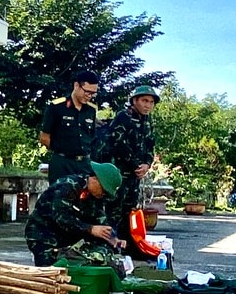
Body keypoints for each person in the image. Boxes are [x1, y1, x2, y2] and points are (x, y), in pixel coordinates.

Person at [25, 161, 124, 267]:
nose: (103, 194)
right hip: (44, 234)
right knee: (50, 272)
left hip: (68, 237)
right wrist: (90, 229)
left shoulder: (95, 196)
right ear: (95, 179)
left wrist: (112, 238)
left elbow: (100, 219)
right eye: (103, 190)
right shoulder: (67, 186)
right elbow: (61, 218)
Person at [93, 85, 158, 239]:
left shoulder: (147, 120)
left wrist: (147, 164)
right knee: (113, 211)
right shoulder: (124, 116)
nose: (148, 105)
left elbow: (150, 144)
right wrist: (136, 165)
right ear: (134, 101)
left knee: (129, 212)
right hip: (118, 174)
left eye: (151, 102)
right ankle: (110, 245)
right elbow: (118, 144)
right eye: (144, 100)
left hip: (135, 176)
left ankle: (126, 244)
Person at [40, 70, 100, 183]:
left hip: (84, 164)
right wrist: (62, 151)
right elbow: (44, 137)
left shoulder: (91, 110)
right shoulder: (57, 106)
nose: (89, 96)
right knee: (58, 197)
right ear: (76, 85)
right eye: (87, 92)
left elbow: (91, 138)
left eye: (93, 93)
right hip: (62, 163)